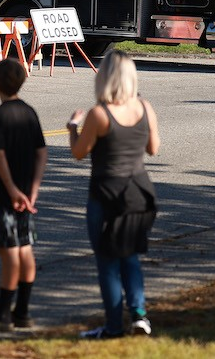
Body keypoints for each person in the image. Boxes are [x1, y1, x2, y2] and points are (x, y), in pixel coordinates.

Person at [67, 50, 160, 339]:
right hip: (139, 193)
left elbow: (79, 152)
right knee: (130, 256)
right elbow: (153, 149)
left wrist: (72, 128)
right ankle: (139, 315)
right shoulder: (145, 107)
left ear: (105, 77)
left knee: (107, 262)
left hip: (106, 194)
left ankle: (113, 327)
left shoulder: (99, 114)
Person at [0, 58, 48, 333]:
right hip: (27, 195)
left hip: (3, 195)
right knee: (25, 249)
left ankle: (2, 315)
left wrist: (11, 190)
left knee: (9, 254)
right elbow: (42, 152)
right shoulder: (29, 112)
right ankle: (22, 311)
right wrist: (32, 190)